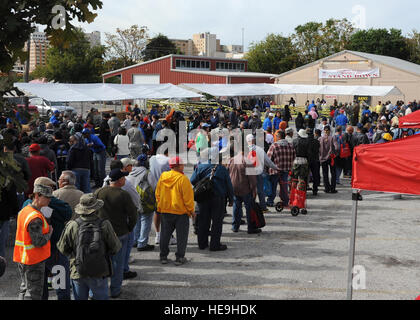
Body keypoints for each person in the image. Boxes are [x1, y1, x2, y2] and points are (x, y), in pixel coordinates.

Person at [57, 193, 121, 300]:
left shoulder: (72, 225)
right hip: (99, 271)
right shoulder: (104, 224)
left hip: (78, 270)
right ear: (96, 209)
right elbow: (116, 247)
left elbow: (62, 248)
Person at [94, 169, 138, 298]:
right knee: (117, 264)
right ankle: (115, 290)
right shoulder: (123, 194)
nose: (125, 180)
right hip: (120, 233)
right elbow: (133, 214)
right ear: (119, 181)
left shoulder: (98, 192)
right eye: (123, 178)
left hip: (102, 233)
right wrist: (129, 228)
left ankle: (98, 290)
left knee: (101, 262)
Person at [13, 179, 54, 300]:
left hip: (23, 257)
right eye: (47, 197)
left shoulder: (24, 211)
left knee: (25, 288)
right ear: (37, 196)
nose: (49, 200)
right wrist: (50, 232)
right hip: (34, 260)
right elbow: (39, 242)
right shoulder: (35, 217)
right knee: (34, 294)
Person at [190, 147, 234, 251]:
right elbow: (229, 185)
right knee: (217, 222)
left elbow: (192, 180)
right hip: (218, 199)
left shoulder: (200, 167)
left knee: (202, 222)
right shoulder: (222, 169)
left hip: (203, 198)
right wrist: (231, 199)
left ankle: (202, 244)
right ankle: (215, 245)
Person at [155, 157, 195, 265]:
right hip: (180, 212)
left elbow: (157, 193)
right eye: (182, 165)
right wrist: (191, 211)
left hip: (165, 211)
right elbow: (188, 198)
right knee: (182, 236)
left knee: (164, 235)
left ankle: (163, 256)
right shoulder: (183, 179)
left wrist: (160, 206)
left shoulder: (163, 176)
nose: (183, 166)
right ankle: (180, 257)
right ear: (178, 166)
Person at [127, 154, 155, 252]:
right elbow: (154, 185)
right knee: (146, 220)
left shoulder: (130, 172)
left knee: (136, 220)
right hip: (145, 201)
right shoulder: (147, 172)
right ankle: (142, 243)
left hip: (133, 200)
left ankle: (135, 240)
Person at [228, 146, 259, 234]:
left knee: (236, 207)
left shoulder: (231, 160)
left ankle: (235, 226)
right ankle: (250, 227)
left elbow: (228, 173)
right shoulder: (247, 161)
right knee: (248, 208)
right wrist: (254, 189)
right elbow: (252, 178)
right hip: (245, 188)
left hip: (234, 187)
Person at [246, 134, 279, 213]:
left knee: (249, 191)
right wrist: (276, 168)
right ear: (254, 140)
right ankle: (263, 207)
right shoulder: (260, 149)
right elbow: (268, 162)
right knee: (260, 191)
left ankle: (250, 207)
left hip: (248, 174)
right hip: (258, 173)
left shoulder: (245, 150)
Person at [267, 130, 296, 207]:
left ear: (278, 137)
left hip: (275, 170)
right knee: (284, 186)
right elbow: (294, 158)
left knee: (273, 186)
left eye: (276, 136)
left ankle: (270, 201)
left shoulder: (274, 146)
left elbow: (268, 159)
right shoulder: (290, 146)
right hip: (286, 170)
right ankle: (285, 201)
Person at [319, 126, 339, 194]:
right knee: (333, 173)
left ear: (324, 131)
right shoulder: (333, 138)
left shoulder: (320, 138)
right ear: (330, 131)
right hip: (331, 158)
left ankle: (327, 188)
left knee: (325, 174)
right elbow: (337, 147)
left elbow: (318, 149)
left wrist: (320, 155)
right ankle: (333, 189)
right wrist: (335, 154)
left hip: (323, 158)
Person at [308, 129, 321, 196]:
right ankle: (315, 189)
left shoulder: (306, 141)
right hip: (315, 159)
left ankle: (304, 188)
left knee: (305, 175)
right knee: (315, 175)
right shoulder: (316, 141)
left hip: (307, 160)